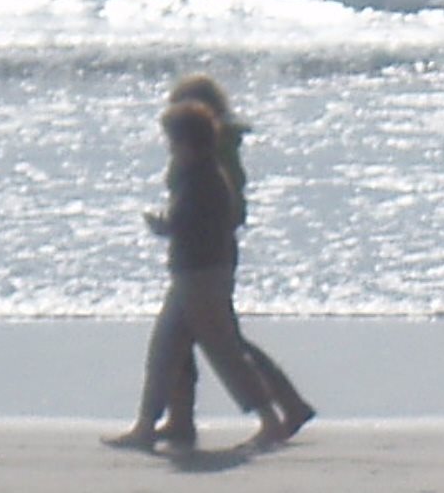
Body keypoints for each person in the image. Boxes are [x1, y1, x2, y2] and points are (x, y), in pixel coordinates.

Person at [105, 78, 311, 455]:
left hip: (201, 274)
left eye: (172, 143)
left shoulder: (206, 177)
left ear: (188, 143)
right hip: (191, 272)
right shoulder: (200, 173)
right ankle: (148, 425)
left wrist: (166, 226)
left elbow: (202, 223)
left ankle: (270, 418)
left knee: (223, 349)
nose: (169, 150)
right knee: (167, 347)